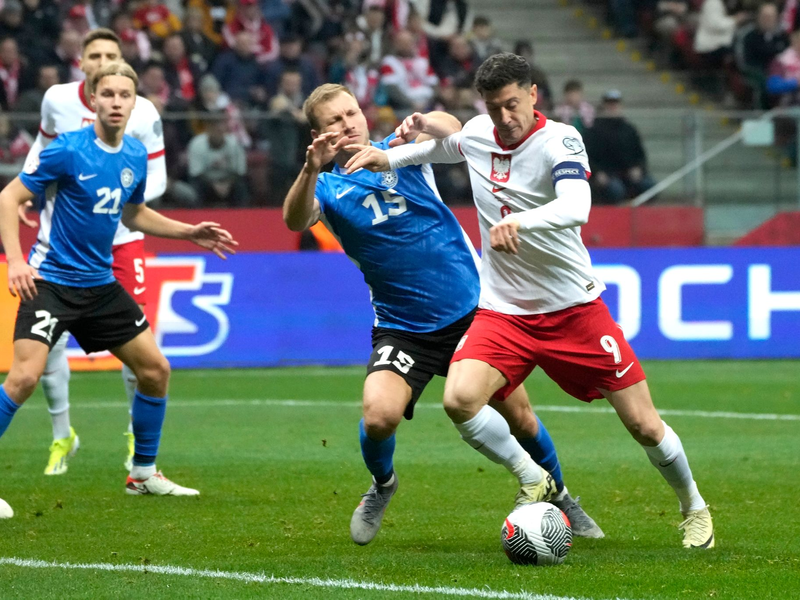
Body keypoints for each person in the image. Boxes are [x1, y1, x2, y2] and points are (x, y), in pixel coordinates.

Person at [344, 53, 715, 550]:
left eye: (512, 105)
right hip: (505, 313)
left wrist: (522, 221)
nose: (504, 118)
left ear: (533, 94)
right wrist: (385, 157)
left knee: (645, 425)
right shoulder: (479, 132)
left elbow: (576, 206)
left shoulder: (560, 139)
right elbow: (439, 149)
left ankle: (694, 506)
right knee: (459, 399)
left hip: (574, 309)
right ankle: (532, 477)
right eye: (494, 107)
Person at [283, 83, 603, 546]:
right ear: (318, 134)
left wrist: (425, 121)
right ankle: (382, 485)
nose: (348, 124)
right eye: (335, 121)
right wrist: (311, 168)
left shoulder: (399, 150)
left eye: (351, 113)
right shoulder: (326, 187)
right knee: (378, 416)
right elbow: (295, 220)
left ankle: (562, 496)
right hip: (402, 326)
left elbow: (457, 131)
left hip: (474, 313)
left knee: (522, 417)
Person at [0, 62, 237, 518]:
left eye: (124, 95)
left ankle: (143, 474)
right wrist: (14, 261)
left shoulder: (133, 153)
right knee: (24, 378)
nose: (115, 102)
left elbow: (133, 215)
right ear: (92, 98)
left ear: (135, 102)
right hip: (53, 282)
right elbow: (10, 198)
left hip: (100, 284)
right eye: (106, 94)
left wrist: (189, 232)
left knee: (156, 371)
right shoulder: (67, 150)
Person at [19, 28, 168, 476]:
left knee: (142, 354)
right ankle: (62, 433)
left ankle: (135, 444)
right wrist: (31, 192)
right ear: (82, 65)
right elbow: (39, 154)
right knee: (46, 351)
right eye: (95, 55)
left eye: (112, 55)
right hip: (63, 240)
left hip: (120, 240)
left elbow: (152, 181)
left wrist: (111, 197)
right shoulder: (57, 101)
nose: (103, 61)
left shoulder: (141, 112)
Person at [583, 90, 655, 204]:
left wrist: (638, 168)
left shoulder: (629, 130)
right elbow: (587, 157)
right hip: (606, 175)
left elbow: (640, 154)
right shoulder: (593, 131)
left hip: (628, 174)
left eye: (615, 104)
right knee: (616, 190)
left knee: (649, 186)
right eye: (609, 104)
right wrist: (597, 173)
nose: (613, 107)